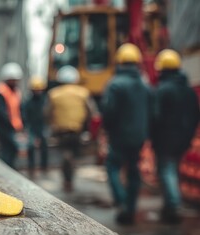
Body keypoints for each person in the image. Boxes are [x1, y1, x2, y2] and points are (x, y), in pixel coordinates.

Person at [101, 43, 151, 225]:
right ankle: (130, 209)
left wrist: (106, 129)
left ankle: (121, 202)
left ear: (119, 62)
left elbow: (109, 111)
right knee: (133, 171)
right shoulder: (145, 84)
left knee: (113, 167)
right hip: (138, 136)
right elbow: (152, 111)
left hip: (119, 136)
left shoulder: (115, 84)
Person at [151, 49, 200, 224]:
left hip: (166, 139)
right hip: (184, 138)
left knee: (167, 170)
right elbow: (196, 114)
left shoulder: (162, 90)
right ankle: (169, 205)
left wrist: (153, 136)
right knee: (173, 169)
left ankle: (173, 205)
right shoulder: (188, 91)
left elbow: (155, 117)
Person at [47, 65, 97, 192]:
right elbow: (92, 112)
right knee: (73, 155)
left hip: (60, 131)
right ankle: (70, 177)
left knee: (65, 153)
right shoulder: (83, 93)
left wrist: (51, 126)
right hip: (77, 131)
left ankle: (67, 178)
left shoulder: (53, 94)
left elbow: (47, 113)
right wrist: (89, 129)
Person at [0, 62, 24, 168]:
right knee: (7, 149)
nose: (15, 82)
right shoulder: (1, 91)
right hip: (4, 126)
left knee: (12, 149)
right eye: (13, 79)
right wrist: (10, 123)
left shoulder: (16, 91)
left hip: (13, 126)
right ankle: (6, 168)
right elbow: (1, 111)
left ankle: (10, 167)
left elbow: (18, 109)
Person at [23, 76, 48, 172]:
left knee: (44, 146)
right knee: (30, 146)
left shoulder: (44, 101)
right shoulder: (28, 102)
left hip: (42, 126)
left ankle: (44, 167)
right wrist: (26, 128)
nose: (37, 92)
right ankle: (31, 167)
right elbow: (25, 115)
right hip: (32, 127)